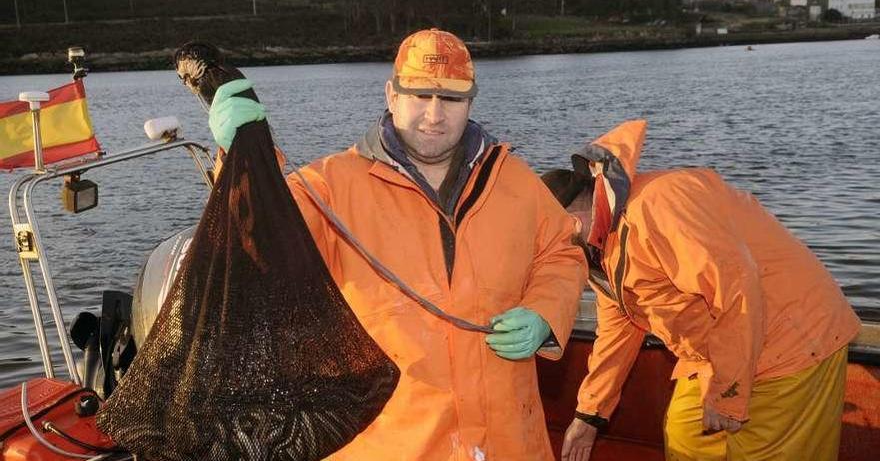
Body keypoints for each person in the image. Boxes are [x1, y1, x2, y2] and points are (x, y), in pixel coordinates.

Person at [207, 28, 588, 460]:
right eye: (419, 95)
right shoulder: (330, 187)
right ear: (392, 95)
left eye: (451, 99)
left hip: (509, 442)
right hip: (389, 444)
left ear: (471, 102)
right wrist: (239, 155)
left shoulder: (513, 178)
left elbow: (563, 250)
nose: (434, 115)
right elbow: (256, 240)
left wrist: (545, 310)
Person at [542, 120, 861, 461]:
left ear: (571, 219)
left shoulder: (659, 205)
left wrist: (728, 393)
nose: (546, 253)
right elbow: (619, 329)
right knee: (686, 438)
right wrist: (590, 414)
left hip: (790, 341)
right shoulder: (597, 249)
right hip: (717, 351)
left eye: (544, 238)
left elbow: (735, 287)